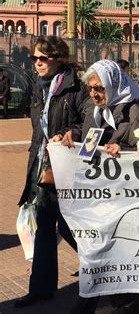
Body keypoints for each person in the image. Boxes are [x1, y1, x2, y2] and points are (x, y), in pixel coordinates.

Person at [59, 59, 139, 313]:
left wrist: (126, 150)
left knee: (115, 253)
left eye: (99, 88)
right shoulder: (95, 109)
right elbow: (89, 136)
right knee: (80, 237)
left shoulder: (134, 112)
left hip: (123, 198)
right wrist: (73, 135)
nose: (94, 93)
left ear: (113, 84)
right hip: (96, 196)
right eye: (91, 88)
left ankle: (121, 303)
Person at [15, 36, 89, 308]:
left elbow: (90, 124)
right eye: (34, 58)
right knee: (44, 227)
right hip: (42, 166)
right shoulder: (39, 88)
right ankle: (41, 289)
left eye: (42, 58)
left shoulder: (76, 87)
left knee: (72, 229)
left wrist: (69, 134)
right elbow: (38, 131)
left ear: (59, 58)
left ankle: (114, 282)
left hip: (67, 167)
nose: (37, 63)